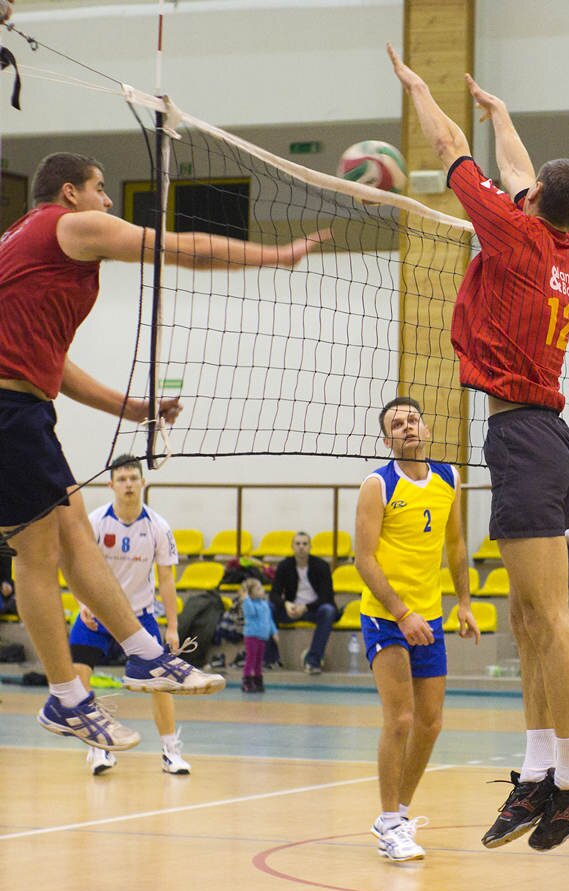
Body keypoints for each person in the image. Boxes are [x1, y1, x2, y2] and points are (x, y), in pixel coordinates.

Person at [0, 153, 320, 749]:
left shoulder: (24, 239)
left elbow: (48, 361)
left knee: (74, 535)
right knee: (36, 556)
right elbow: (183, 249)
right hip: (8, 412)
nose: (107, 201)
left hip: (23, 411)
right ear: (69, 193)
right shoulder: (70, 226)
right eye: (100, 188)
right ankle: (66, 697)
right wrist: (276, 256)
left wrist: (128, 407)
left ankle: (145, 655)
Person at [387, 44, 569, 851]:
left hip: (525, 437)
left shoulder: (515, 237)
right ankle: (539, 769)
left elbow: (450, 147)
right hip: (534, 435)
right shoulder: (563, 248)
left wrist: (418, 88)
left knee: (547, 620)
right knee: (523, 619)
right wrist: (504, 115)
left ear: (537, 200)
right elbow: (518, 169)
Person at [355, 397, 479, 862]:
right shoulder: (377, 485)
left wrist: (463, 603)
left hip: (430, 615)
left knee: (430, 723)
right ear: (387, 439)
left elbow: (456, 544)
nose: (407, 427)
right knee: (401, 719)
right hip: (386, 615)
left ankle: (399, 815)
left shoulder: (449, 478)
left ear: (426, 429)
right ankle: (389, 822)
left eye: (413, 420)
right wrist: (402, 613)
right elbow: (363, 559)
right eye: (397, 424)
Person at [69, 455, 189, 776]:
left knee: (160, 680)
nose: (128, 485)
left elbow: (166, 580)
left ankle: (170, 752)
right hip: (97, 612)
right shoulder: (96, 521)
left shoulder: (158, 527)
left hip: (138, 617)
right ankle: (98, 747)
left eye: (133, 478)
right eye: (122, 479)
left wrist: (172, 626)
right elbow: (76, 566)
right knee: (78, 674)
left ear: (143, 482)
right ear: (111, 485)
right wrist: (82, 602)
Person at [269, 531, 337, 674]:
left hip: (313, 610)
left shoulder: (322, 566)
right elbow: (273, 594)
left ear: (310, 547)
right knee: (268, 608)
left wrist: (305, 607)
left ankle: (313, 661)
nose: (301, 547)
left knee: (328, 610)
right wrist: (286, 604)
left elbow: (327, 596)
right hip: (291, 610)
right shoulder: (284, 566)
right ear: (292, 546)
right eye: (298, 544)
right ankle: (271, 659)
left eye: (305, 544)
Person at [240, 578, 276, 693]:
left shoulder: (265, 604)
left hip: (262, 637)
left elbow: (269, 619)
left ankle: (257, 679)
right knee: (251, 658)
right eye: (258, 589)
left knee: (259, 660)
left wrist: (274, 631)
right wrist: (246, 599)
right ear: (250, 593)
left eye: (261, 588)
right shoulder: (248, 604)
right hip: (252, 636)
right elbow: (250, 612)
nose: (262, 590)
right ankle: (246, 680)